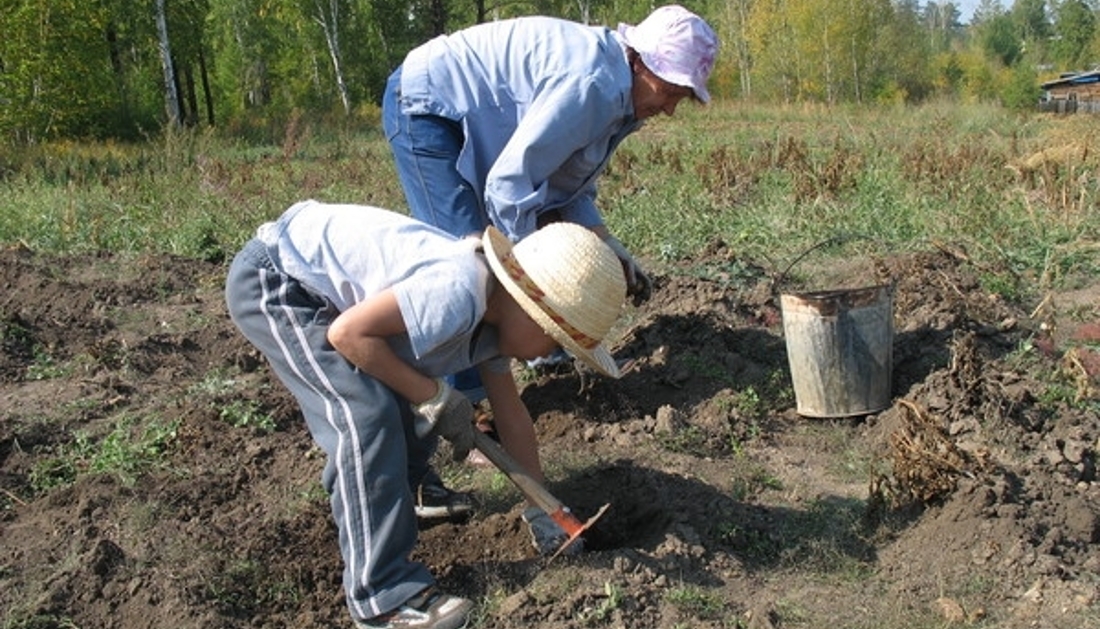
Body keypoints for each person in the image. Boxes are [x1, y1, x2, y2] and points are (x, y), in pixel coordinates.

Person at [224, 199, 627, 629]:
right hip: (281, 284)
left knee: (410, 403)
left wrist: (541, 508)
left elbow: (511, 413)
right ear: (531, 309)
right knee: (367, 417)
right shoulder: (457, 292)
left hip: (334, 302)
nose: (552, 353)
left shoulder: (496, 322)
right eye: (556, 340)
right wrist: (434, 394)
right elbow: (347, 334)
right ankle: (381, 596)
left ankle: (401, 498)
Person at [381, 3, 718, 469]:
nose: (670, 107)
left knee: (496, 273)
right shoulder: (593, 86)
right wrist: (533, 281)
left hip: (469, 121)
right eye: (670, 90)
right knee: (467, 261)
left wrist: (605, 240)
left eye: (682, 96)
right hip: (428, 108)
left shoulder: (624, 99)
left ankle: (508, 365)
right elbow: (510, 186)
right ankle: (471, 413)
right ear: (640, 61)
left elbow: (562, 184)